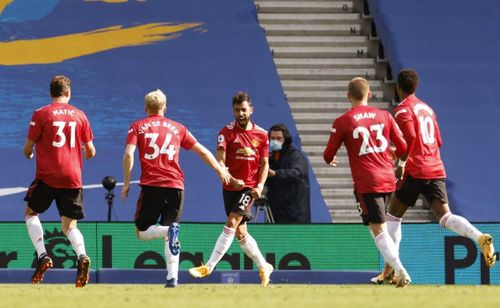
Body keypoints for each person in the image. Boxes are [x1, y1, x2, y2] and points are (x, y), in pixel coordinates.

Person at [372, 69, 496, 284]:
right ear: (416, 87)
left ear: (398, 87)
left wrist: (401, 161)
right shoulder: (427, 109)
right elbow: (437, 140)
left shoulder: (403, 109)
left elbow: (410, 136)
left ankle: (391, 269)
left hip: (415, 169)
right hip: (435, 167)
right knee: (445, 216)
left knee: (393, 216)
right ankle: (480, 237)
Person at [120, 89, 230, 288]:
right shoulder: (178, 128)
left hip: (153, 185)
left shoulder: (138, 126)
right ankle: (172, 278)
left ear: (146, 108)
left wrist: (127, 183)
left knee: (142, 231)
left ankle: (168, 235)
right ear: (165, 107)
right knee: (171, 233)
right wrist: (219, 170)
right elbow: (202, 151)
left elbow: (129, 154)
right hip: (176, 187)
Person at [323, 77, 411, 287]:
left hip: (367, 181)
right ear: (369, 93)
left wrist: (331, 159)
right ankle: (393, 271)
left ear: (348, 96)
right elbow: (404, 147)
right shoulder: (384, 116)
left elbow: (328, 154)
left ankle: (401, 272)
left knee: (378, 228)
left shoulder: (343, 121)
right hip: (388, 178)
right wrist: (395, 156)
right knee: (382, 225)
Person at [188, 91, 274, 286]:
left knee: (232, 221)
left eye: (244, 110)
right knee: (240, 232)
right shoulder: (225, 133)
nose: (241, 114)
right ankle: (264, 265)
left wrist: (260, 185)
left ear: (251, 110)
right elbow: (220, 159)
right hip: (230, 187)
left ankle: (208, 267)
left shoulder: (261, 135)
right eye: (237, 110)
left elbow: (265, 164)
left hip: (248, 188)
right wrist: (227, 176)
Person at [23, 75, 96, 287]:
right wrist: (82, 152)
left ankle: (43, 255)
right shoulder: (80, 115)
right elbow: (91, 151)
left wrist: (29, 153)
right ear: (68, 93)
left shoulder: (41, 113)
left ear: (51, 93)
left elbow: (27, 149)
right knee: (69, 225)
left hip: (47, 177)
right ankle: (82, 256)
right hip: (72, 178)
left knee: (31, 213)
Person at [265, 123, 311, 223]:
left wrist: (275, 173)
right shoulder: (273, 156)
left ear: (285, 139)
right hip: (276, 210)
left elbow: (296, 173)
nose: (275, 141)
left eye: (278, 138)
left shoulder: (295, 155)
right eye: (272, 138)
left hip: (294, 212)